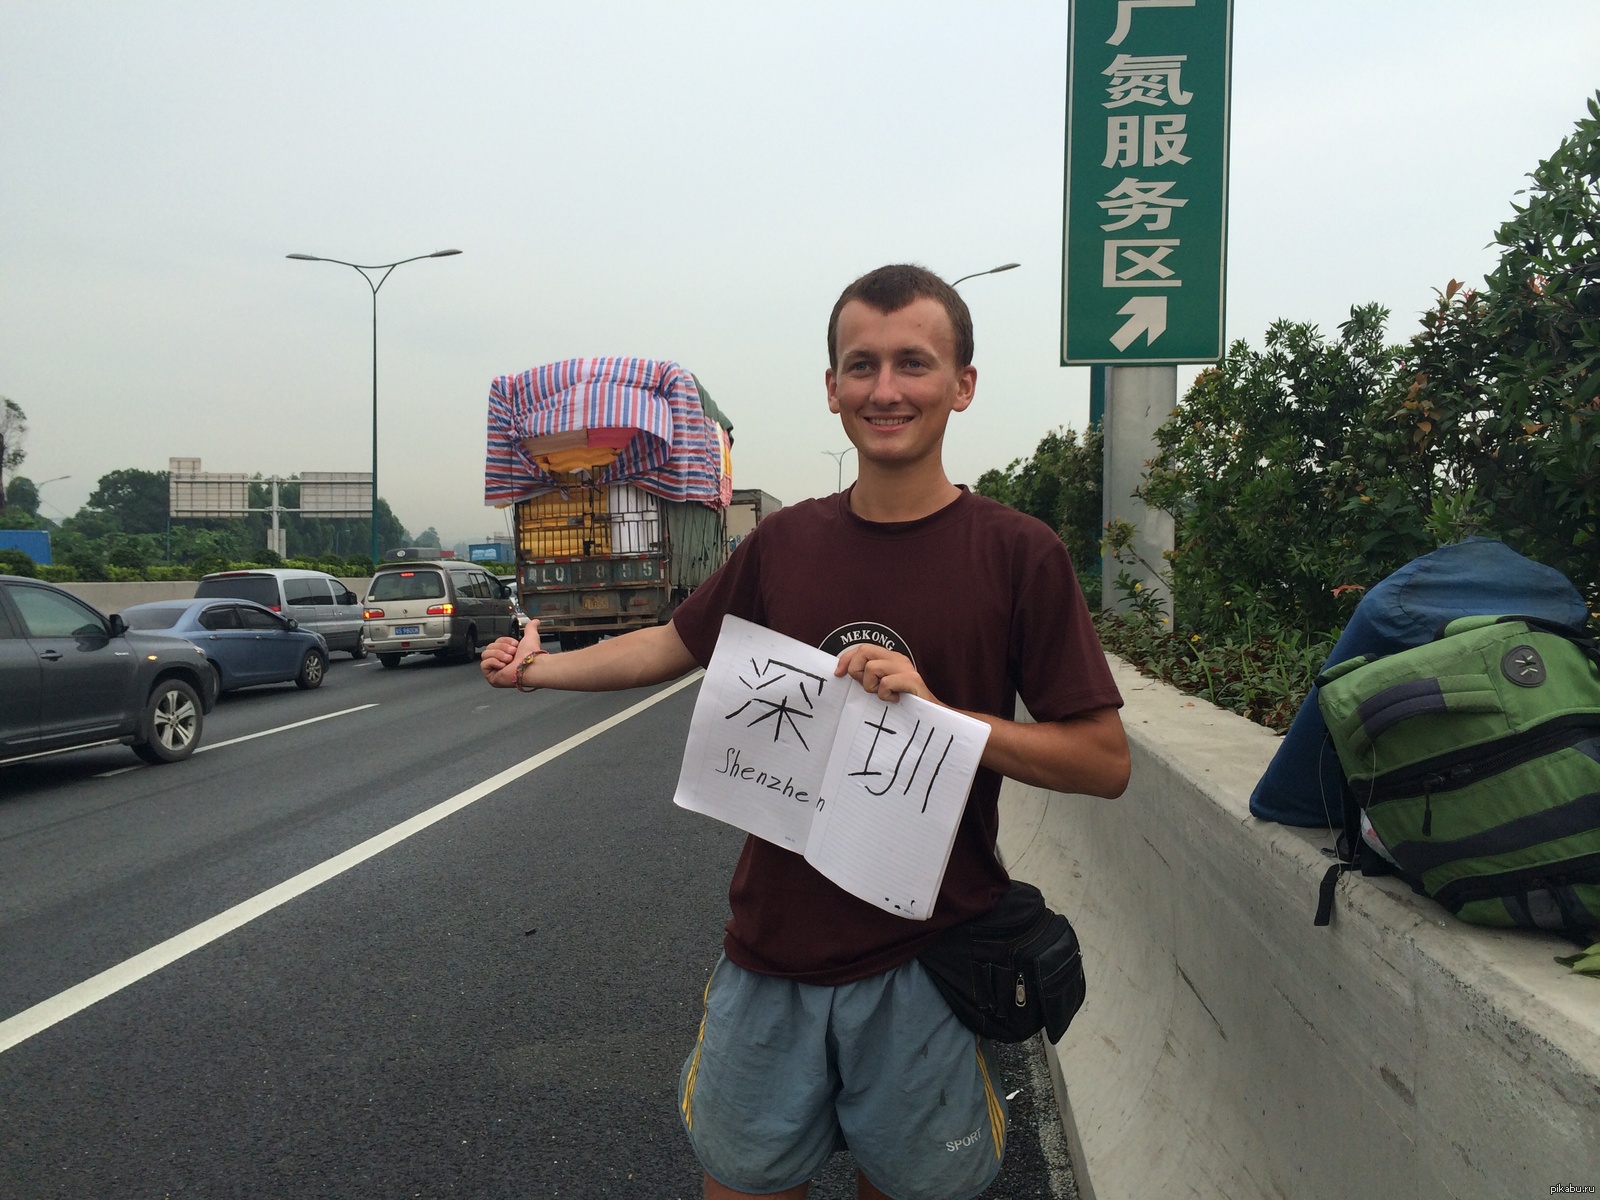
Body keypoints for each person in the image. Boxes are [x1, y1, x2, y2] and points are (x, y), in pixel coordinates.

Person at [481, 264, 1130, 1200]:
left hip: (928, 957)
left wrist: (943, 720)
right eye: (861, 365)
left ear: (963, 385)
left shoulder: (1019, 553)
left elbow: (1101, 760)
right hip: (771, 951)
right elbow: (670, 643)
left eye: (914, 363)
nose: (885, 389)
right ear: (832, 388)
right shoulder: (783, 545)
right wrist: (536, 668)